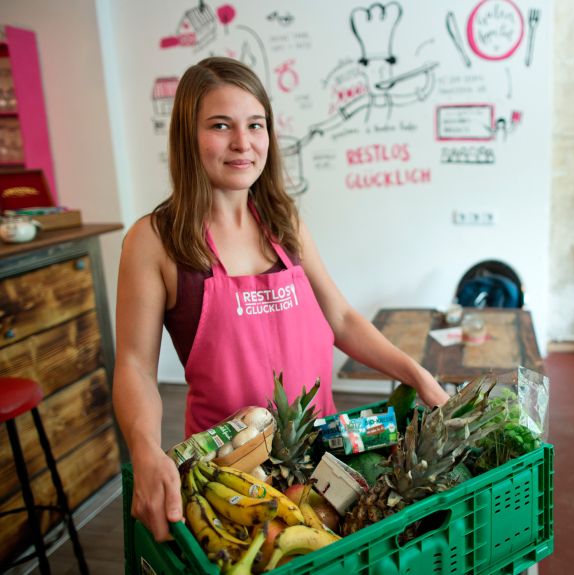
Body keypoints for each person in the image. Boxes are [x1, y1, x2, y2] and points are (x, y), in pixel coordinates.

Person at [112, 56, 449, 543]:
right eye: (220, 126)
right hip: (231, 480)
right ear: (188, 135)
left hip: (324, 464)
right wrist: (144, 450)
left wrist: (415, 373)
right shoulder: (155, 240)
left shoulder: (282, 220)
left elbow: (342, 318)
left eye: (256, 125)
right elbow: (135, 367)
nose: (242, 143)